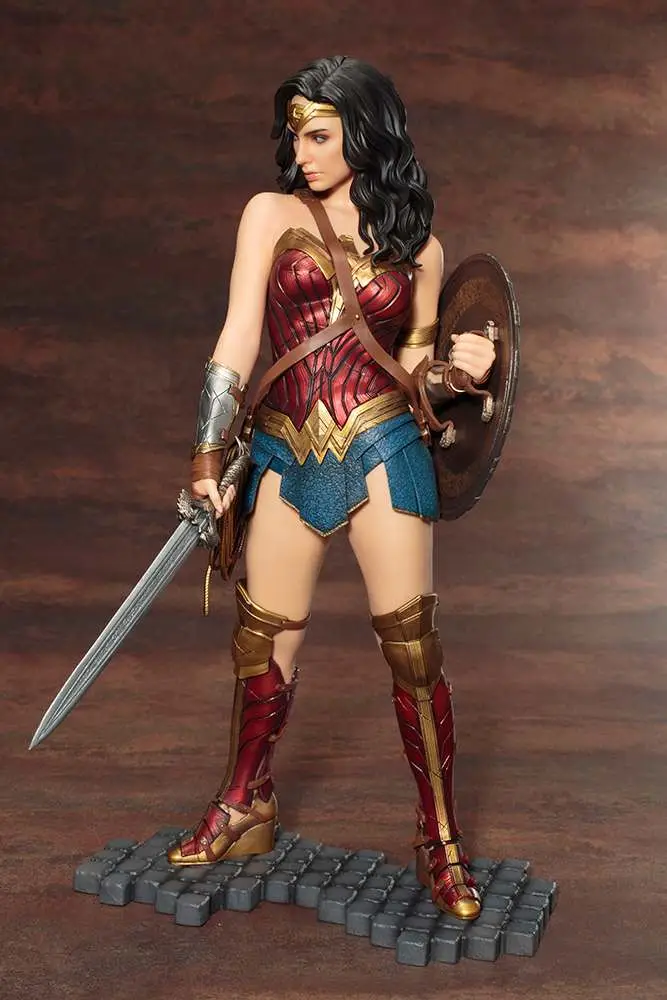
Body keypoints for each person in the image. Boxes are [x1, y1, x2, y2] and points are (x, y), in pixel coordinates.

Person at [167, 56, 495, 921]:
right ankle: (246, 803)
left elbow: (414, 371)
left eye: (319, 135)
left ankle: (438, 835)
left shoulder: (419, 247)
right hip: (286, 445)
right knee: (263, 639)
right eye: (295, 136)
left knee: (412, 647)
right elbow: (239, 334)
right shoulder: (271, 213)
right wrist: (205, 452)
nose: (300, 152)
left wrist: (461, 371)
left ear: (365, 132)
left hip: (384, 442)